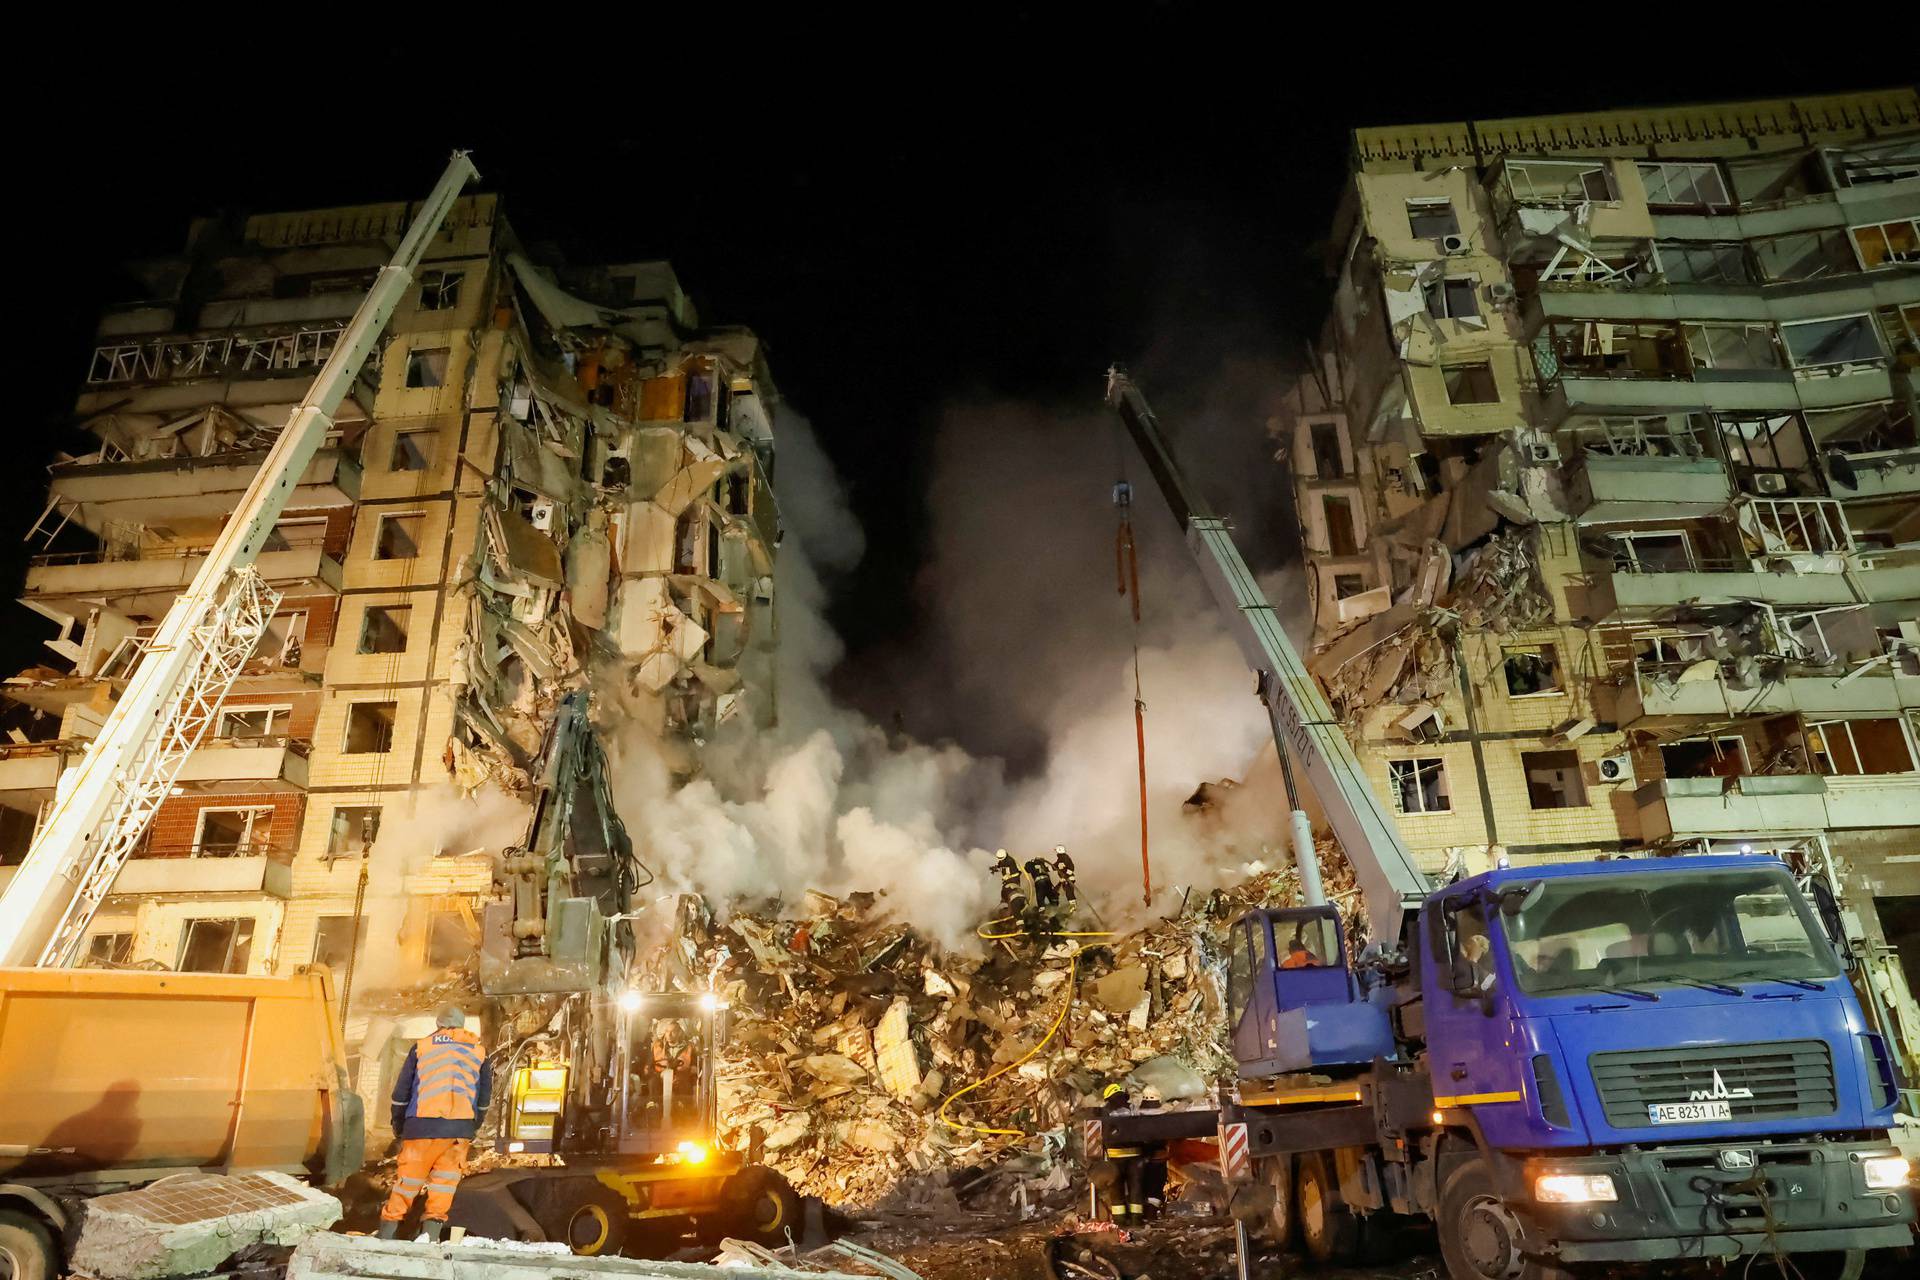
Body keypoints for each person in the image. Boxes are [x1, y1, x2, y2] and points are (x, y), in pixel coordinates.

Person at [382, 1006, 491, 1241]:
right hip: (458, 1134)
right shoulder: (479, 1053)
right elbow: (483, 1100)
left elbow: (400, 1094)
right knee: (443, 1188)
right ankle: (429, 1242)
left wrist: (399, 1127)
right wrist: (472, 1127)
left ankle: (386, 1239)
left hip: (421, 1129)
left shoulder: (422, 1047)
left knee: (406, 1186)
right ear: (462, 1026)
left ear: (439, 1024)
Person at [990, 848, 1025, 913]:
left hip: (1014, 880)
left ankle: (1016, 908)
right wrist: (995, 868)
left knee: (1010, 892)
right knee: (1004, 891)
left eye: (1001, 859)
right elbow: (1000, 866)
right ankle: (1008, 906)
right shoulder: (1002, 860)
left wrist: (1009, 876)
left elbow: (1017, 873)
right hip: (1007, 880)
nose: (1000, 860)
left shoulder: (1010, 861)